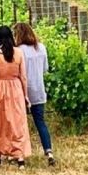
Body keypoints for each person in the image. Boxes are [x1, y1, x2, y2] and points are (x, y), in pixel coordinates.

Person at [0, 25, 32, 169]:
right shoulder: (19, 53)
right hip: (15, 88)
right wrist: (25, 95)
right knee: (17, 122)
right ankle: (20, 157)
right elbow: (23, 76)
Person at [13, 22, 56, 166]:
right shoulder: (41, 47)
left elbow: (18, 71)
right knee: (41, 122)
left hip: (23, 91)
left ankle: (20, 153)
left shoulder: (19, 50)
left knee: (20, 124)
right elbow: (45, 69)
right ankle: (48, 151)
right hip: (39, 89)